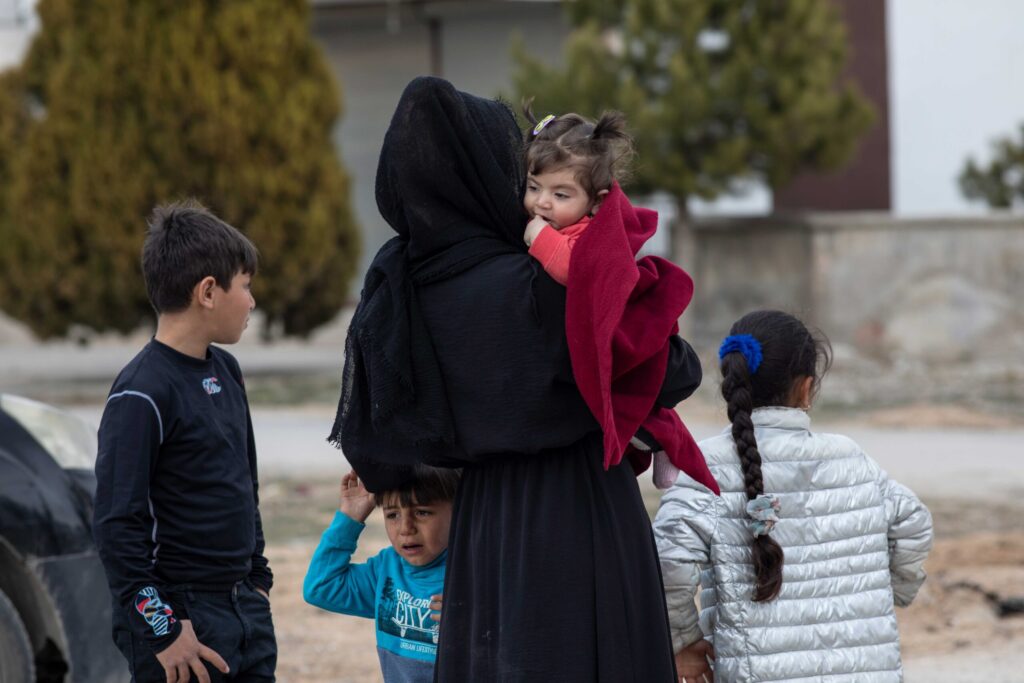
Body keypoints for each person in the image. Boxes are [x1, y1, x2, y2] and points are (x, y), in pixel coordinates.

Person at [329, 76, 701, 681]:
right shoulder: (536, 281)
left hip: (481, 526)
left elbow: (387, 445)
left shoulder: (403, 290)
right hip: (580, 512)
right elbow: (671, 371)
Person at [653, 310, 933, 682]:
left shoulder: (706, 469)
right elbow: (914, 523)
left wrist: (684, 642)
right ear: (806, 386)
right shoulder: (850, 458)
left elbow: (667, 562)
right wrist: (892, 592)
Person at [94, 200, 275, 683]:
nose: (252, 302)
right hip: (181, 622)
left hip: (244, 611)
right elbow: (116, 526)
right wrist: (163, 630)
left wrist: (258, 582)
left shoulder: (227, 371)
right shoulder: (140, 392)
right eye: (246, 285)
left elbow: (244, 484)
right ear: (209, 292)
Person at [520, 106, 715, 492]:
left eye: (560, 194)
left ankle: (665, 444)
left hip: (622, 327)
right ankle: (661, 443)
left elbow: (574, 269)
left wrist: (535, 237)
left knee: (635, 399)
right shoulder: (563, 220)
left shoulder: (589, 235)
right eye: (533, 187)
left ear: (596, 201)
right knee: (636, 409)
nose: (542, 203)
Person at [303, 467, 458, 683]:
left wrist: (477, 620)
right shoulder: (385, 571)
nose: (405, 528)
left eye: (422, 512)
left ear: (460, 511)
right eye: (393, 515)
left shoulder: (474, 573)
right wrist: (350, 517)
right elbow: (321, 587)